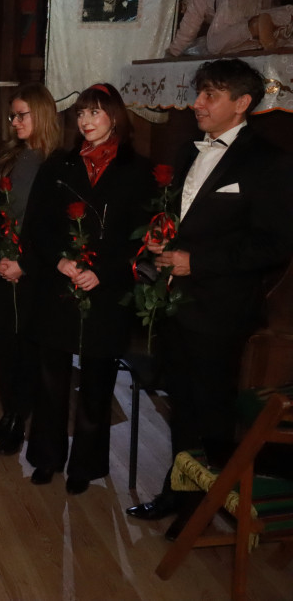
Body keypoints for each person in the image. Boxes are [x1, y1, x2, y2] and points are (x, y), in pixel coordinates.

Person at [126, 59, 293, 528]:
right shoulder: (186, 151)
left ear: (241, 104)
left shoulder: (268, 162)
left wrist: (198, 262)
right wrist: (165, 241)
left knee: (212, 411)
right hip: (176, 304)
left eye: (210, 95)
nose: (197, 102)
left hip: (221, 310)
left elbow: (275, 243)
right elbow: (188, 220)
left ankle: (204, 506)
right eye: (199, 92)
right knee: (181, 402)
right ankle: (178, 493)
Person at [22, 83, 154, 495]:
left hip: (107, 289)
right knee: (49, 378)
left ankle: (86, 464)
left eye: (94, 113)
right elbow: (36, 226)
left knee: (97, 381)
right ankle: (46, 457)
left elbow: (142, 237)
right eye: (80, 114)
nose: (85, 121)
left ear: (114, 117)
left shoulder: (138, 169)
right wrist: (60, 261)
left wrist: (108, 273)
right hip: (58, 285)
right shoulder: (59, 164)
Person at [0, 83, 61, 455]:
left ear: (41, 114)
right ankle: (9, 413)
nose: (14, 122)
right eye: (12, 115)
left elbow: (53, 226)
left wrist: (23, 263)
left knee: (27, 349)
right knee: (2, 345)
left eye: (22, 114)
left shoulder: (58, 162)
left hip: (34, 273)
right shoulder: (7, 156)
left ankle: (22, 420)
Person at [167, 0, 276, 56]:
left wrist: (172, 53)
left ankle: (255, 26)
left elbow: (186, 34)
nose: (183, 11)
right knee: (237, 43)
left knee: (214, 45)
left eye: (183, 5)